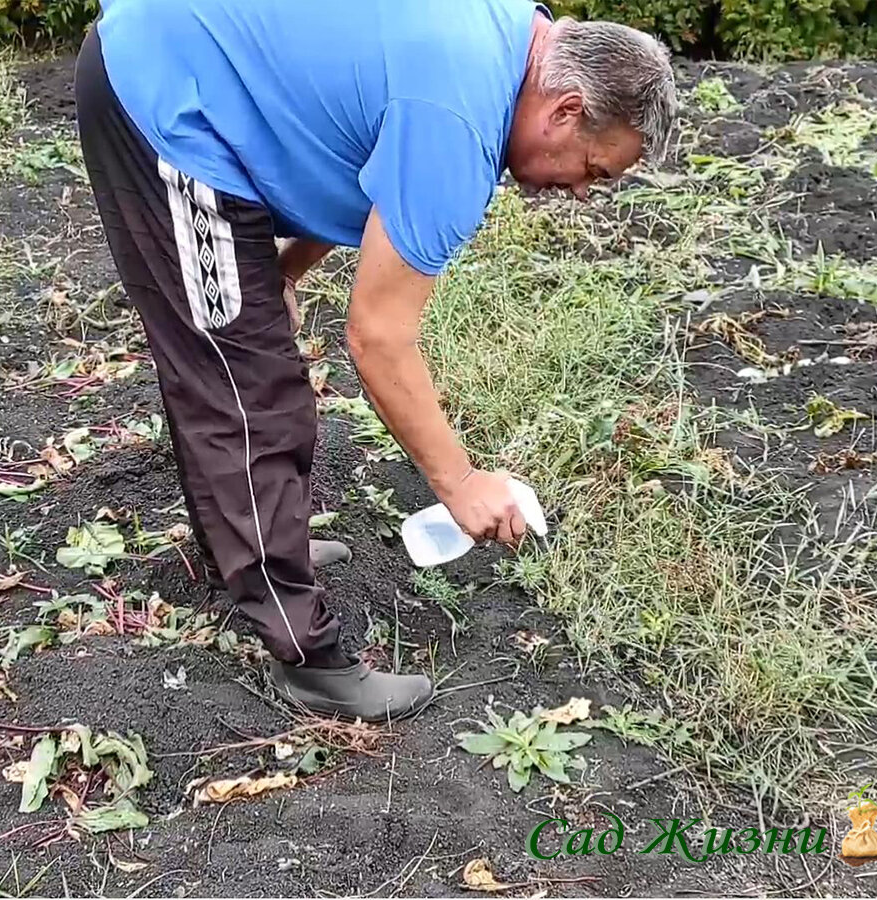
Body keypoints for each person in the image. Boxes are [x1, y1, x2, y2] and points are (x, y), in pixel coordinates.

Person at [75, 0, 677, 722]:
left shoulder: (507, 38)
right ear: (566, 110)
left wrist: (288, 271)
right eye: (593, 171)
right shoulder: (460, 118)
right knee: (247, 390)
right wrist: (459, 483)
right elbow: (379, 337)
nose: (579, 191)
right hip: (162, 95)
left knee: (243, 365)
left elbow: (362, 152)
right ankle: (309, 658)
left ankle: (259, 549)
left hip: (198, 71)